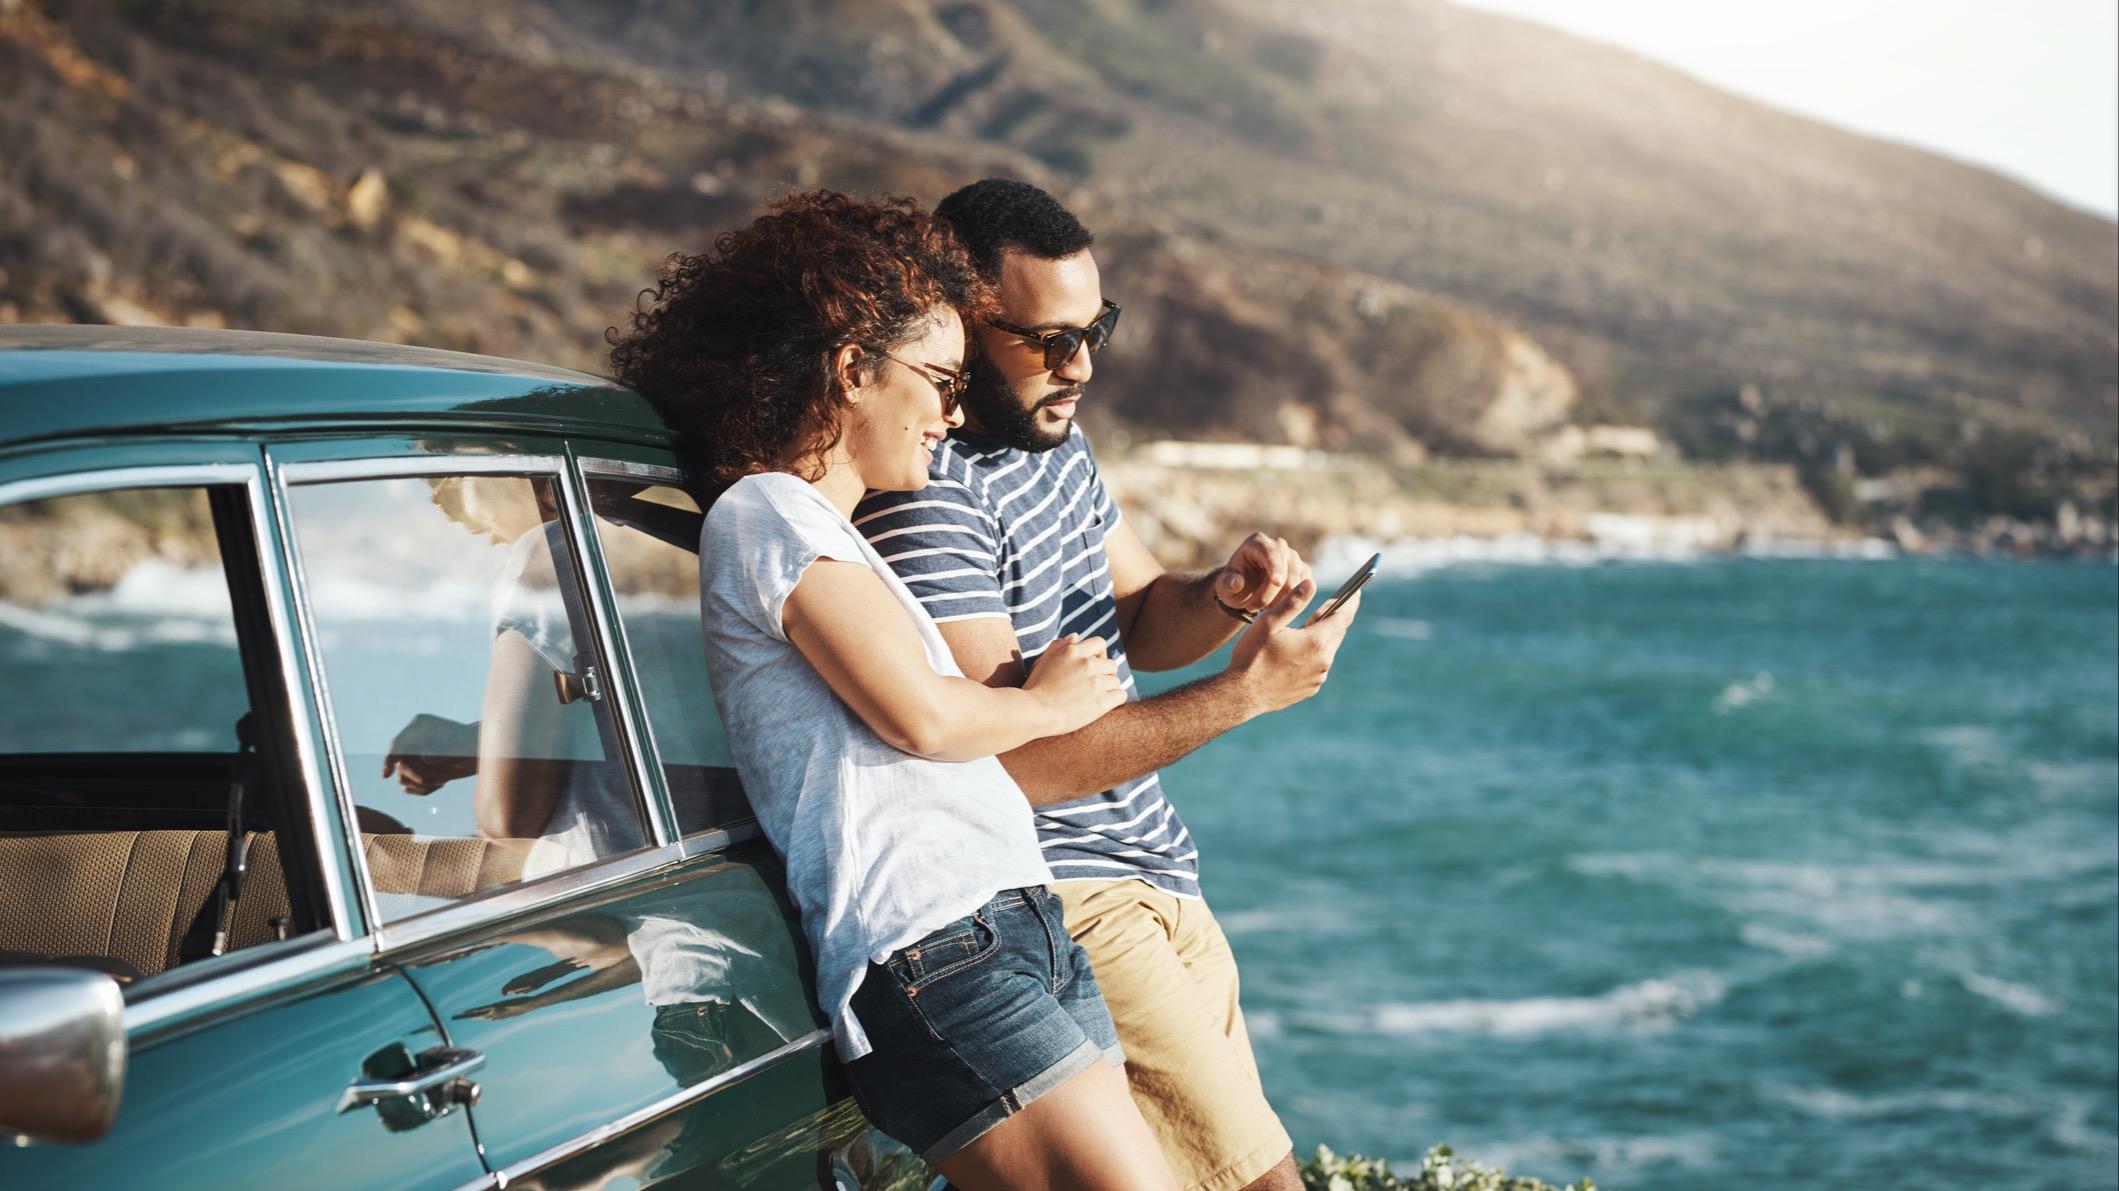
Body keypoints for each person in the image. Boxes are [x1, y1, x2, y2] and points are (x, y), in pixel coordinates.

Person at [607, 190, 1179, 1190]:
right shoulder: (767, 512)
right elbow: (918, 713)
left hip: (1009, 926)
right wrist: (1053, 703)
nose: (953, 414)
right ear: (849, 370)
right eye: (939, 381)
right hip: (931, 951)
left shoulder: (824, 531)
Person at [853, 179, 1361, 1191]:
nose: (1078, 365)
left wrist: (1222, 594)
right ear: (958, 320)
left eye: (1094, 331)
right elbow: (1014, 770)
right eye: (1046, 339)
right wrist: (1245, 695)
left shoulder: (1056, 449)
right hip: (1072, 894)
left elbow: (1138, 616)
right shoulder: (930, 502)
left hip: (1162, 875)